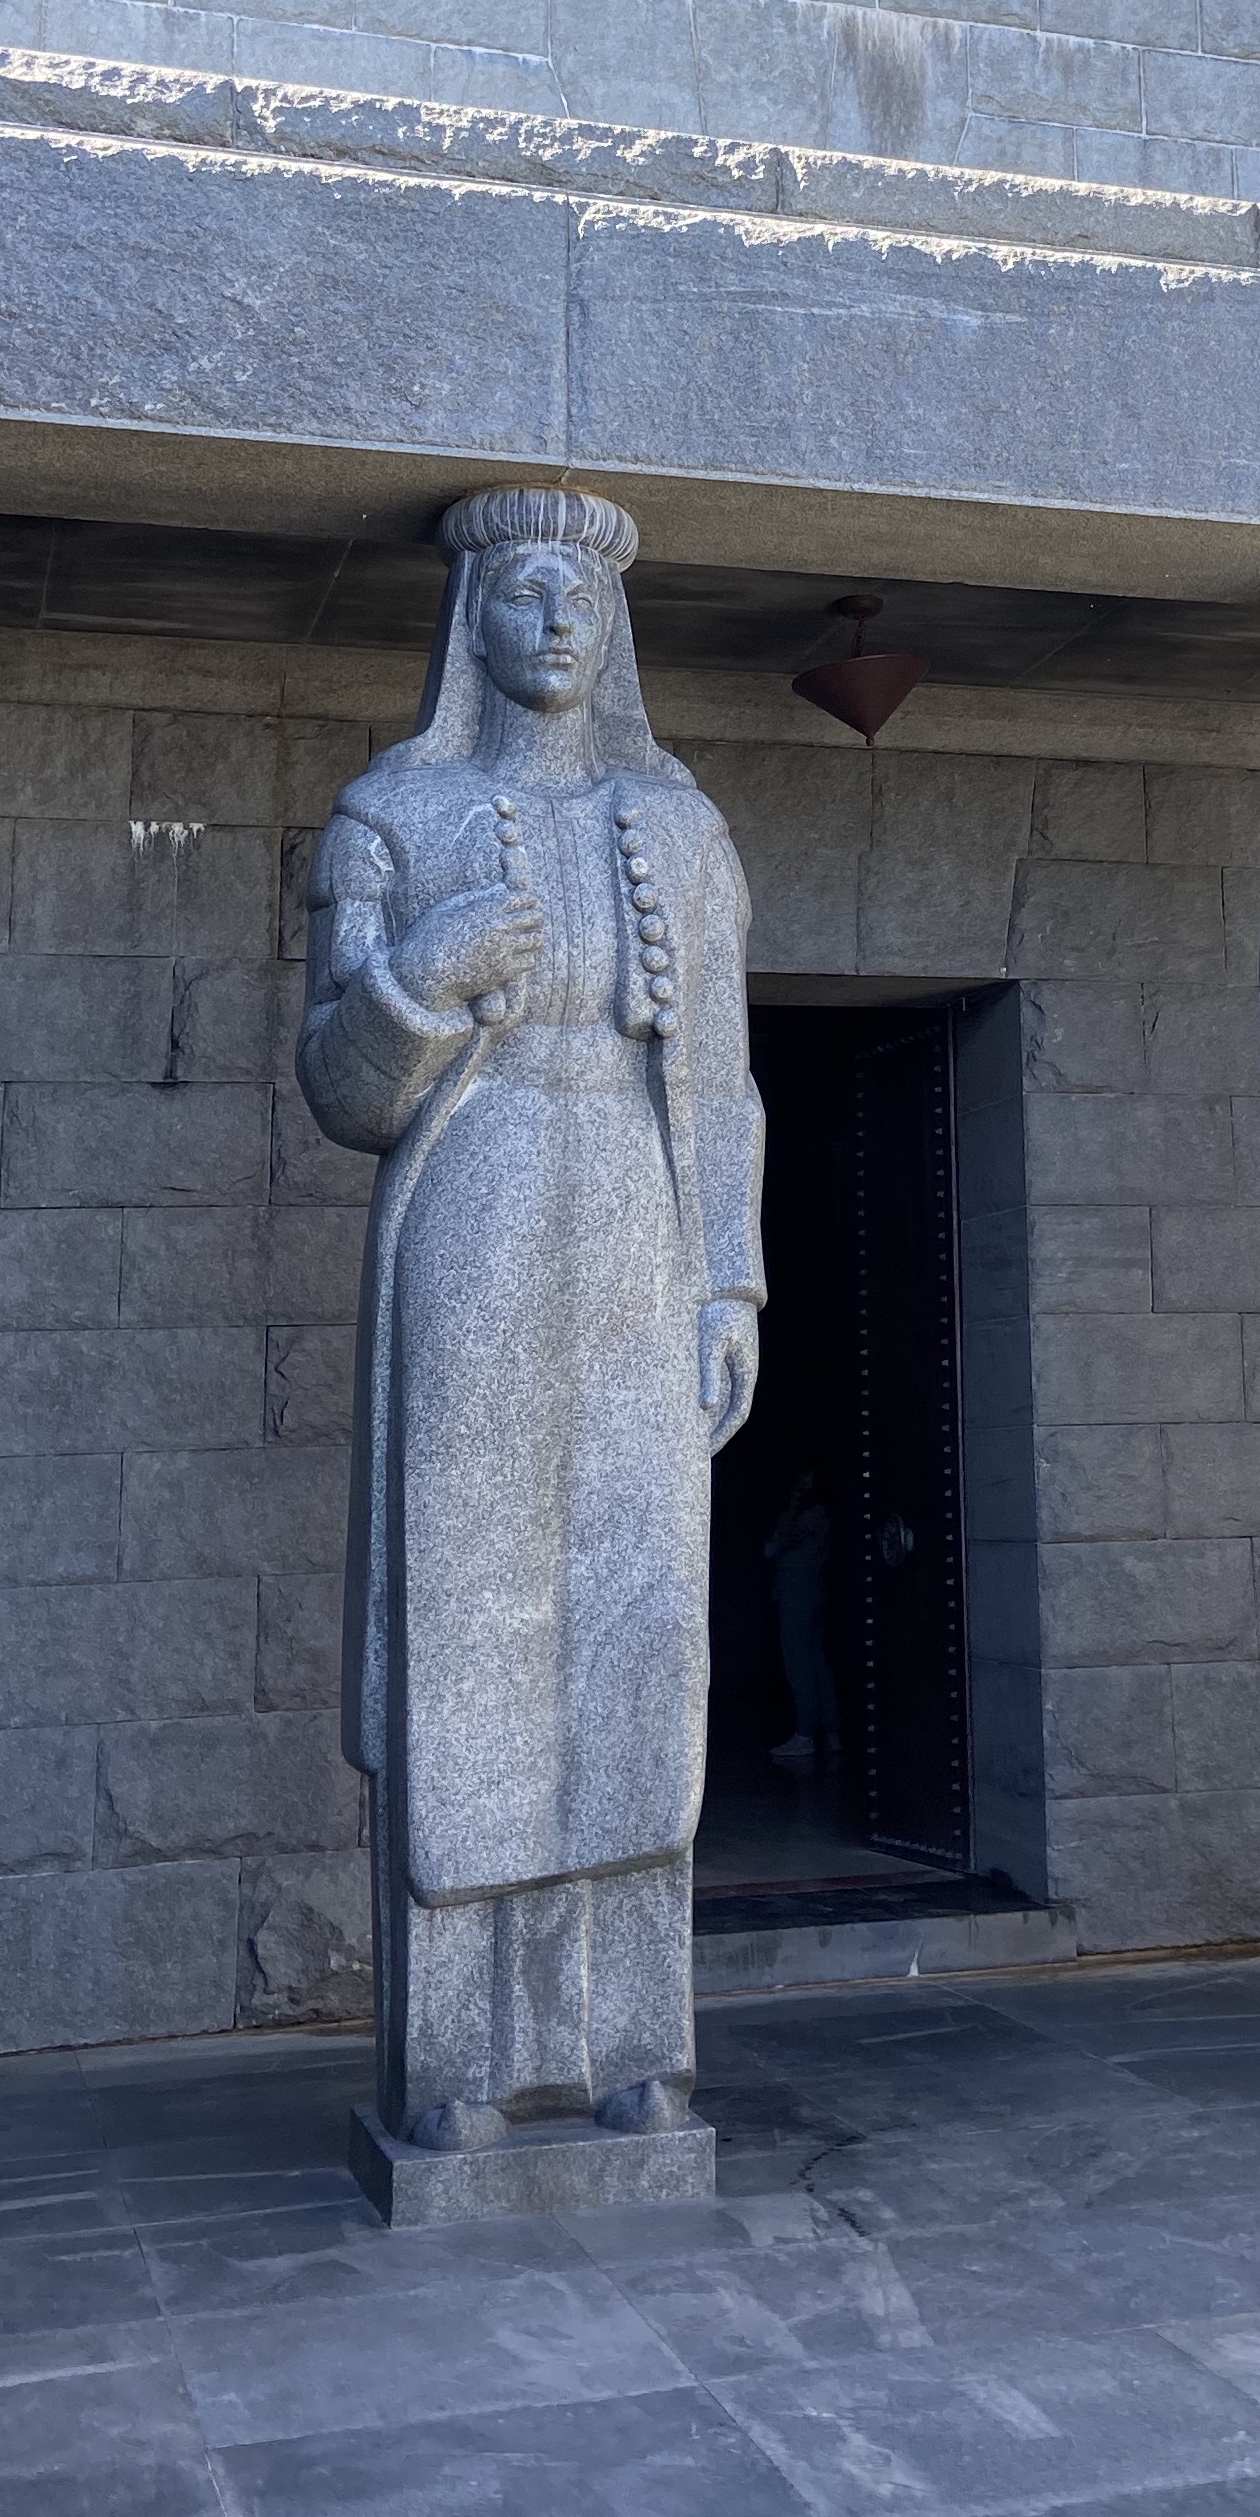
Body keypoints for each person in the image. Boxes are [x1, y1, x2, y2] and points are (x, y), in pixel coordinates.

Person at [297, 485, 762, 2153]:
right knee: (479, 1627)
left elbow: (720, 1076)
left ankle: (632, 2037)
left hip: (634, 1214)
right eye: (523, 589)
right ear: (472, 617)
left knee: (637, 1626)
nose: (556, 617)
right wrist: (420, 972)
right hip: (476, 1206)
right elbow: (341, 1090)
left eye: (581, 591)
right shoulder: (388, 816)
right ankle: (458, 2062)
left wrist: (729, 1275)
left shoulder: (677, 824)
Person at [765, 1470, 838, 1768]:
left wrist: (791, 1509)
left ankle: (805, 1733)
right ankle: (832, 1733)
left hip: (799, 1585)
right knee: (817, 1660)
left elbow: (783, 1541)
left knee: (799, 1661)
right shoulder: (822, 1514)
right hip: (812, 1584)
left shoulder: (812, 1514)